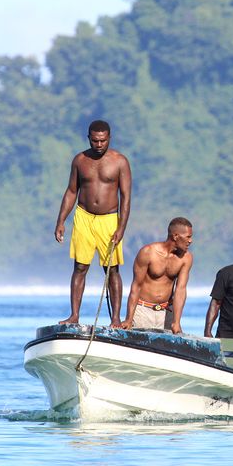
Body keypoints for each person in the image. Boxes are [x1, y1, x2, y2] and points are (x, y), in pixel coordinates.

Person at [54, 120, 131, 326]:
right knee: (80, 267)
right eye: (95, 141)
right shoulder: (80, 160)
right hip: (84, 217)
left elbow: (126, 196)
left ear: (109, 138)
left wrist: (121, 227)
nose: (99, 145)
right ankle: (74, 316)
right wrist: (61, 221)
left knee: (112, 269)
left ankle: (115, 318)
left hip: (109, 219)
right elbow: (72, 191)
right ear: (89, 138)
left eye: (103, 141)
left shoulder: (120, 161)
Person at [118, 217, 194, 333]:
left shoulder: (186, 258)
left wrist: (176, 322)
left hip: (165, 311)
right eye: (188, 237)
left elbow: (181, 290)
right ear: (175, 236)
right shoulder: (148, 252)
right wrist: (129, 319)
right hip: (143, 310)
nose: (190, 240)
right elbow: (136, 286)